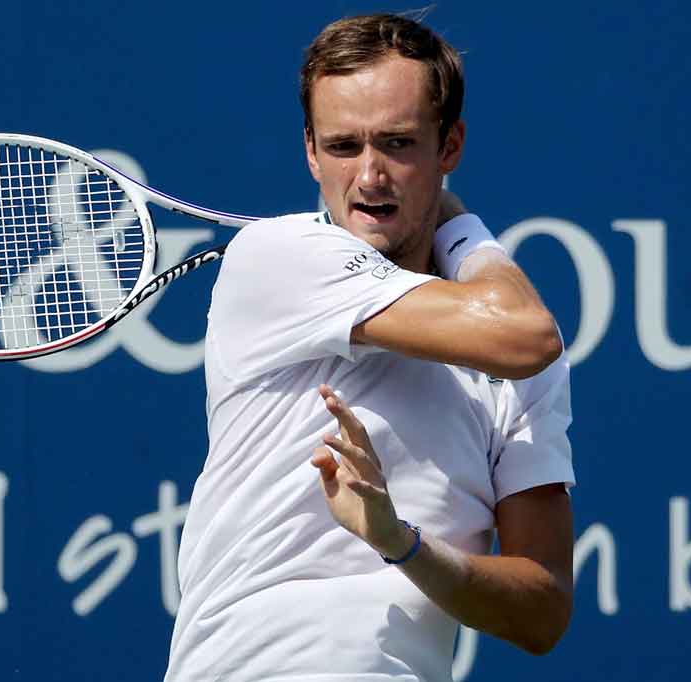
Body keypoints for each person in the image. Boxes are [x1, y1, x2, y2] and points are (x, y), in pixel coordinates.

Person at [165, 13, 574, 682]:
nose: (370, 176)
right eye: (344, 146)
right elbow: (523, 332)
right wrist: (462, 224)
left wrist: (401, 544)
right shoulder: (279, 256)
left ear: (450, 146)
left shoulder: (520, 365)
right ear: (310, 153)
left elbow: (543, 612)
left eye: (397, 142)